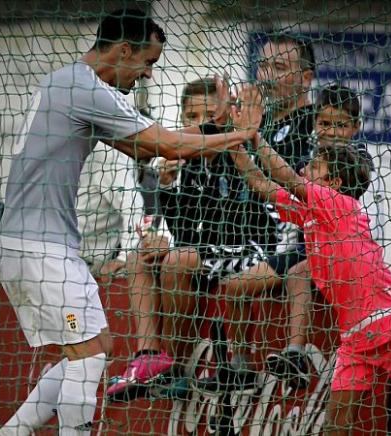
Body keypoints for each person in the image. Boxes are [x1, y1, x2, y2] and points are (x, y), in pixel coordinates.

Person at [0, 9, 258, 435]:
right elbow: (166, 145)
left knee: (96, 348)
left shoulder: (65, 81)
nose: (148, 76)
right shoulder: (88, 87)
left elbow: (142, 150)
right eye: (148, 63)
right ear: (124, 50)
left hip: (29, 244)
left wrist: (211, 130)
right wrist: (239, 135)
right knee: (90, 356)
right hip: (41, 248)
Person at [226, 85, 391, 435]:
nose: (306, 167)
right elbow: (261, 182)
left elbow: (285, 176)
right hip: (356, 339)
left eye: (314, 166)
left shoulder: (340, 206)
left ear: (332, 181)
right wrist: (235, 141)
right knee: (335, 427)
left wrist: (256, 137)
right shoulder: (310, 212)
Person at [106, 77, 276, 399]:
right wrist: (168, 188)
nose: (201, 125)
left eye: (210, 115)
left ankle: (177, 370)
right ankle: (147, 356)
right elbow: (185, 233)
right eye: (192, 118)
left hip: (252, 249)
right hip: (208, 254)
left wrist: (177, 248)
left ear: (227, 115)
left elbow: (237, 224)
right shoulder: (185, 161)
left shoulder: (239, 150)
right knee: (138, 260)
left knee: (177, 259)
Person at [259, 85, 389, 388]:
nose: (331, 131)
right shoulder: (309, 157)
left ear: (356, 127)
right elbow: (288, 198)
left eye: (340, 124)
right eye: (325, 123)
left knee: (299, 273)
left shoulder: (358, 161)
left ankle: (295, 351)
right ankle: (236, 366)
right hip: (308, 246)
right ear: (315, 122)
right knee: (239, 283)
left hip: (343, 256)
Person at [210, 34, 317, 389]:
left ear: (306, 77)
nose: (267, 75)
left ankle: (266, 360)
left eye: (280, 67)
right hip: (253, 246)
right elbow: (223, 184)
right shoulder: (260, 121)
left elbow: (294, 188)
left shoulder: (317, 124)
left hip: (301, 249)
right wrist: (225, 128)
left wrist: (246, 135)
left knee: (233, 284)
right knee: (189, 263)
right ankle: (226, 366)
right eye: (263, 65)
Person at [76, 141, 145, 274]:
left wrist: (125, 256)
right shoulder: (106, 151)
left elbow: (132, 206)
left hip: (85, 263)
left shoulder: (107, 151)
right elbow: (132, 206)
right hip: (73, 259)